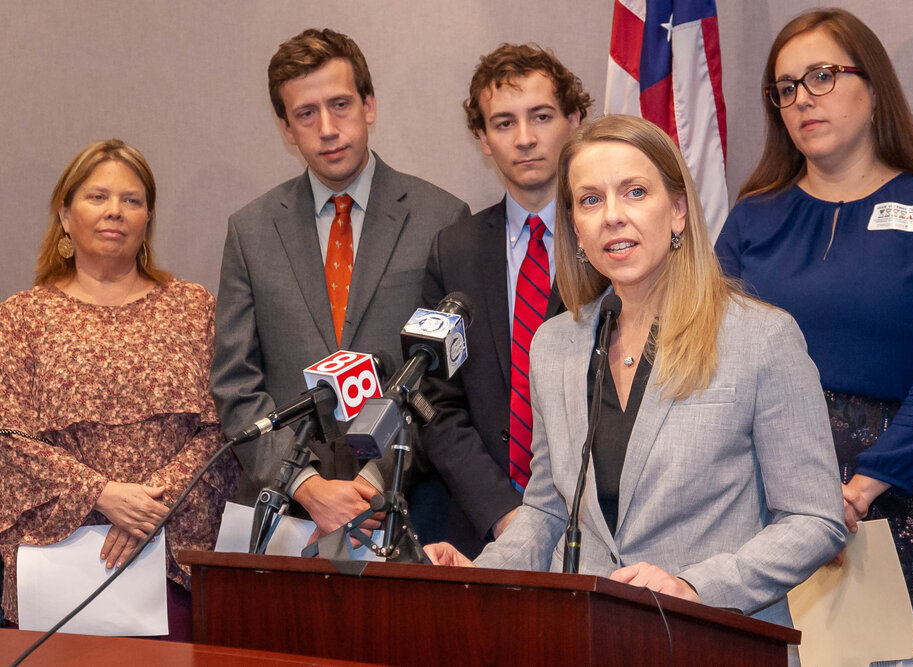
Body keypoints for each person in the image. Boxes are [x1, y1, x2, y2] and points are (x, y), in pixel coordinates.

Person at [426, 115, 846, 631]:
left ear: (677, 211)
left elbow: (815, 519)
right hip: (585, 640)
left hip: (715, 639)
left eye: (635, 192)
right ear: (575, 228)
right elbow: (546, 511)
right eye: (590, 200)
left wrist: (696, 587)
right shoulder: (553, 345)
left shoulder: (760, 337)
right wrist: (478, 575)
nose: (613, 217)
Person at [714, 9, 913, 665]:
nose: (802, 97)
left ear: (874, 87)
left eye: (822, 75)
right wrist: (797, 506)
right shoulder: (753, 218)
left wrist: (850, 494)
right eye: (785, 88)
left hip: (904, 498)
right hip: (766, 503)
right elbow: (710, 366)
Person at [210, 29, 470, 537]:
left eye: (341, 104)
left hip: (405, 504)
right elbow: (235, 382)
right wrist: (303, 483)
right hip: (288, 513)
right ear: (286, 128)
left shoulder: (441, 217)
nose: (327, 128)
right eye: (306, 114)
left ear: (369, 105)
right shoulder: (250, 229)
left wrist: (375, 480)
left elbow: (446, 383)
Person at [0, 139, 238, 639]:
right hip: (61, 563)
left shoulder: (193, 307)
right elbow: (8, 438)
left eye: (132, 200)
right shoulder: (21, 316)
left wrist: (152, 506)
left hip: (174, 559)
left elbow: (226, 425)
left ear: (148, 217)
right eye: (97, 197)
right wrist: (104, 494)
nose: (115, 212)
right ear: (64, 215)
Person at [411, 44, 591, 557]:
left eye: (541, 116)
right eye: (504, 123)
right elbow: (435, 403)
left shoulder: (608, 241)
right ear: (483, 139)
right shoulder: (454, 249)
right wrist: (503, 513)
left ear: (573, 121)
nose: (526, 138)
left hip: (595, 526)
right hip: (481, 526)